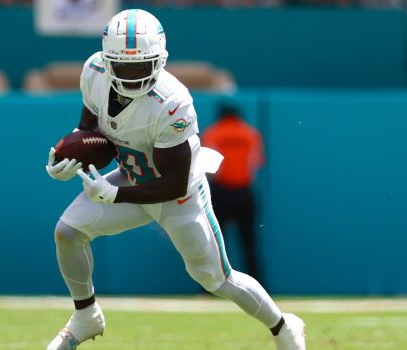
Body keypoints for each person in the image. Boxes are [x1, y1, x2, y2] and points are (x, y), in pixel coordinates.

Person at [45, 9, 306, 350]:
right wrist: (67, 157)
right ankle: (85, 316)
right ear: (107, 61)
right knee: (67, 233)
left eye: (141, 65)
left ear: (161, 61)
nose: (133, 75)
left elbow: (175, 182)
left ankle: (285, 328)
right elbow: (90, 130)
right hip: (128, 179)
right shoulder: (94, 71)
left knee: (216, 278)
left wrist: (114, 195)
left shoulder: (172, 102)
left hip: (177, 198)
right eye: (123, 66)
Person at [201, 101, 265, 282]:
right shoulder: (251, 133)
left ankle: (212, 286)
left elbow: (211, 169)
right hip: (245, 192)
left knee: (215, 244)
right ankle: (258, 285)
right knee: (249, 243)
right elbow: (256, 162)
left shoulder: (213, 132)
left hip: (220, 192)